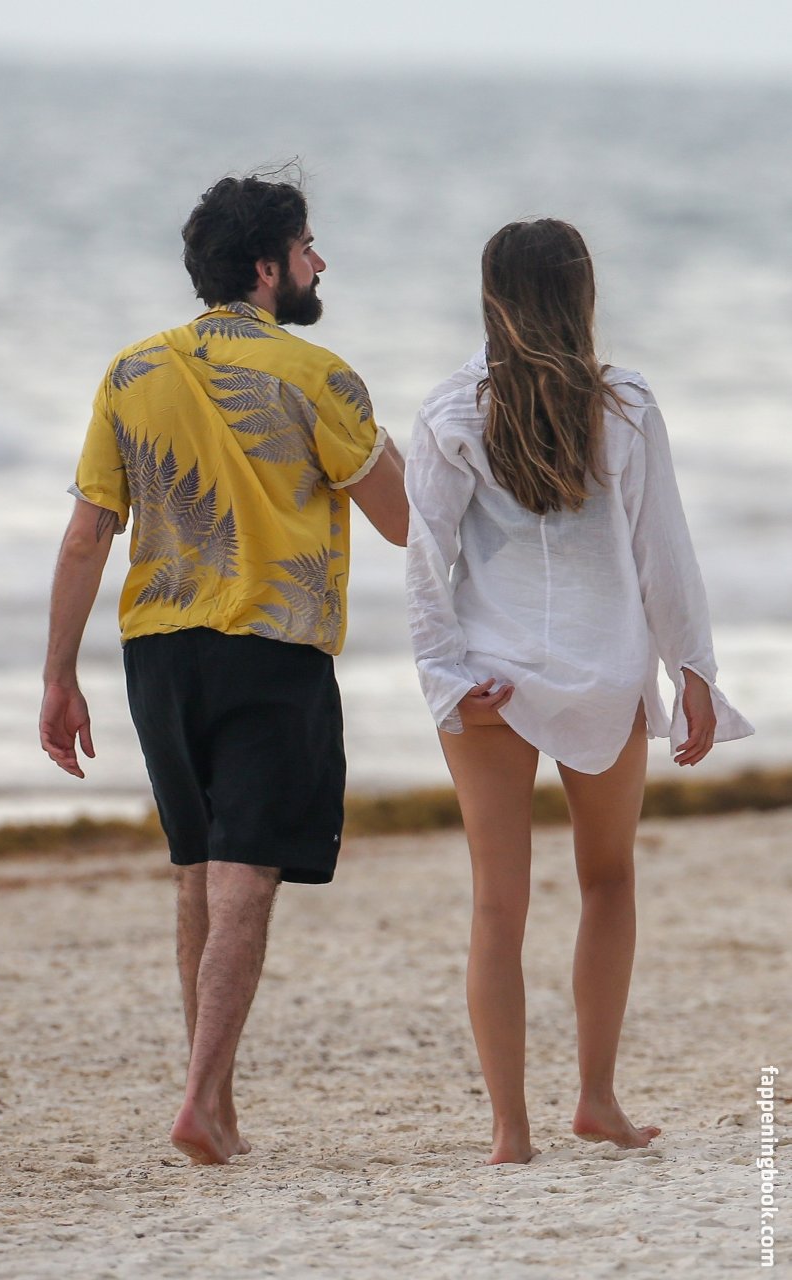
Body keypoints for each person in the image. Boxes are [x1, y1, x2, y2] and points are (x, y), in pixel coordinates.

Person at [39, 173, 408, 1166]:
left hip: (157, 654)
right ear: (266, 267)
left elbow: (85, 535)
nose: (319, 262)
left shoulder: (130, 371)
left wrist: (57, 675)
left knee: (199, 865)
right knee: (246, 869)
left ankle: (218, 1103)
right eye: (306, 246)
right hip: (270, 646)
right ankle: (202, 1101)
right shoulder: (318, 373)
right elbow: (403, 518)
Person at [405, 219, 753, 1166]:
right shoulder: (625, 405)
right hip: (603, 671)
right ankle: (595, 1099)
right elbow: (662, 549)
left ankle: (509, 1133)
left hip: (490, 679)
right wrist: (693, 672)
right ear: (581, 293)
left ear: (492, 297)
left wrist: (445, 676)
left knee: (496, 905)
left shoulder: (451, 408)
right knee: (607, 880)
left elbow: (425, 560)